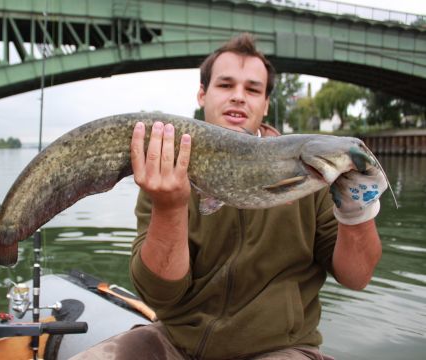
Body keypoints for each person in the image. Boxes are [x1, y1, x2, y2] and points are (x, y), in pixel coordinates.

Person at [72, 33, 387, 359]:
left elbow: (357, 276)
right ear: (202, 95)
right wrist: (170, 207)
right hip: (176, 343)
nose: (239, 97)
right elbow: (160, 295)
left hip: (282, 349)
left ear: (265, 104)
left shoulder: (315, 177)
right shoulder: (165, 172)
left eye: (252, 89)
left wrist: (357, 211)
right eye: (225, 85)